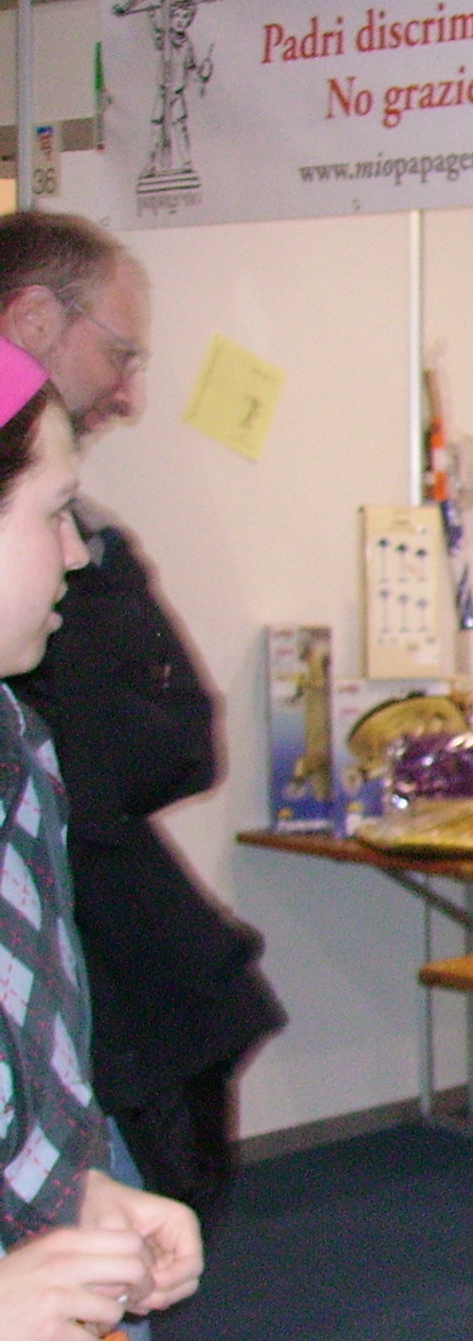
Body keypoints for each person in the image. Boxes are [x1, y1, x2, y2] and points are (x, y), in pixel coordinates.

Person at [0, 212, 286, 1231]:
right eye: (120, 353)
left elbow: (184, 737)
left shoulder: (21, 747)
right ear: (34, 320)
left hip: (92, 1092)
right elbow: (124, 754)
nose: (130, 395)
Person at [0, 342, 211, 1341]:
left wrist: (82, 1180)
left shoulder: (15, 746)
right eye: (52, 511)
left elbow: (27, 1047)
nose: (81, 556)